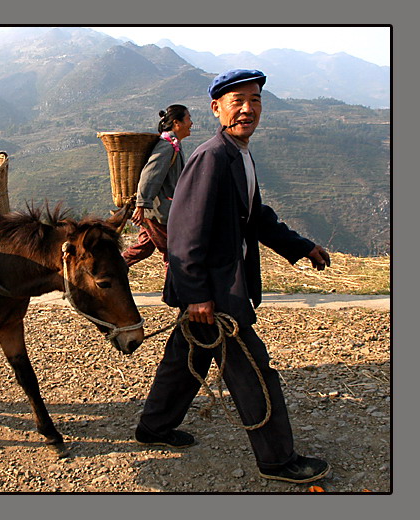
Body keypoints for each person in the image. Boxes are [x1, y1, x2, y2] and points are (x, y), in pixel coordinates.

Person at [134, 69, 333, 484]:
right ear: (217, 108)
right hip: (216, 292)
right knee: (254, 373)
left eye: (255, 100)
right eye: (237, 101)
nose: (248, 109)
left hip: (213, 288)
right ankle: (279, 460)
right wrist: (197, 296)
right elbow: (186, 234)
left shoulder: (238, 153)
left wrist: (301, 246)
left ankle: (154, 427)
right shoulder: (212, 157)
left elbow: (256, 216)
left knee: (186, 357)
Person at [121, 104, 192, 267]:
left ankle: (113, 266)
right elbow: (150, 175)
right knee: (176, 252)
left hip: (156, 211)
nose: (191, 123)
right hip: (160, 212)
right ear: (177, 123)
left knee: (144, 248)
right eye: (188, 118)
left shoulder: (174, 144)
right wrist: (141, 205)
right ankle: (172, 292)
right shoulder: (166, 146)